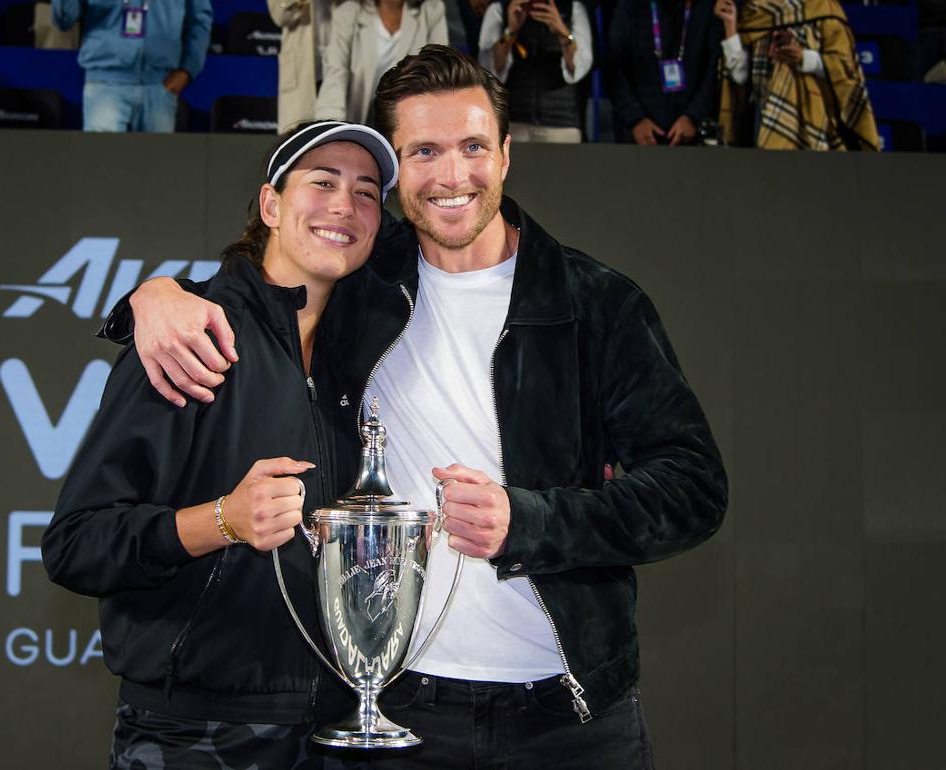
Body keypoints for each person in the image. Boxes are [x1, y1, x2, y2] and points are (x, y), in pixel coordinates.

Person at [108, 45, 728, 767]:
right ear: (399, 170)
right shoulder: (361, 285)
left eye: (472, 146)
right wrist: (153, 296)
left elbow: (693, 488)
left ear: (504, 155)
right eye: (425, 151)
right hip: (393, 711)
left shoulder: (596, 303)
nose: (452, 175)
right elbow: (260, 285)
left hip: (572, 717)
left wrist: (528, 521)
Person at [42, 121, 399, 768]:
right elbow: (76, 543)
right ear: (271, 205)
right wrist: (220, 521)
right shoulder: (190, 337)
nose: (345, 205)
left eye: (367, 191)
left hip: (343, 728)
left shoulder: (380, 345)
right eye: (322, 182)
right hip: (198, 733)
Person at [715, 0, 878, 150]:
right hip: (760, 120)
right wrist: (730, 25)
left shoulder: (823, 7)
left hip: (814, 120)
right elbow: (740, 77)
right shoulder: (755, 11)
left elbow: (847, 69)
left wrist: (804, 58)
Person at [51, 0, 212, 132]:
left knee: (157, 167)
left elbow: (200, 20)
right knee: (101, 164)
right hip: (106, 85)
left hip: (159, 87)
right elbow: (64, 19)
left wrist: (187, 70)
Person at [316, 0, 450, 125]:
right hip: (360, 118)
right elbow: (335, 77)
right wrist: (330, 127)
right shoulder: (348, 12)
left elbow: (439, 74)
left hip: (412, 119)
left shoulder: (432, 9)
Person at [607, 0, 721, 145]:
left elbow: (714, 70)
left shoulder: (707, 8)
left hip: (693, 135)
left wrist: (692, 117)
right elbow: (614, 69)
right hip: (638, 136)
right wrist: (636, 119)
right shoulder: (630, 6)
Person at [479, 0, 595, 142]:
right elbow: (490, 69)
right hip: (514, 122)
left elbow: (579, 67)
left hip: (562, 123)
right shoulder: (500, 9)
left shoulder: (573, 9)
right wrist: (511, 31)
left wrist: (561, 30)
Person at [270, 0, 333, 131]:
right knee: (299, 136)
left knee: (341, 135)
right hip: (302, 67)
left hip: (342, 63)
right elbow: (280, 16)